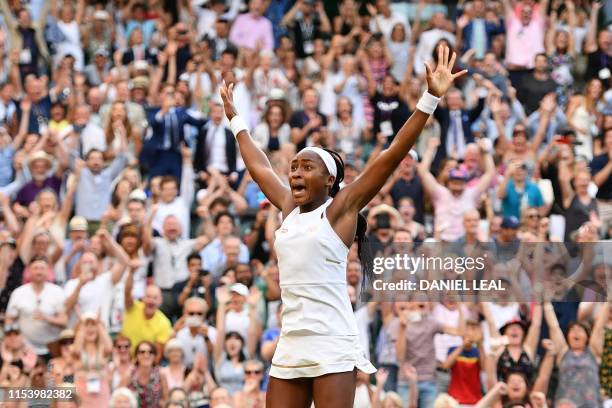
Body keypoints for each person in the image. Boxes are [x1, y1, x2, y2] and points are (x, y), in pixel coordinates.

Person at [219, 44, 466, 406]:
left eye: (306, 167)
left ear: (329, 182)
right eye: (294, 166)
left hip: (332, 340)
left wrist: (429, 97)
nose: (295, 172)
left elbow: (392, 153)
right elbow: (258, 167)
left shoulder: (341, 209)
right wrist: (235, 119)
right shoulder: (288, 206)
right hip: (291, 342)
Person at [4, 255, 67, 356]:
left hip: (52, 346)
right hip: (25, 348)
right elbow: (9, 319)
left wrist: (47, 318)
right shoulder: (19, 292)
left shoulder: (57, 291)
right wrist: (12, 340)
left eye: (42, 268)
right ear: (29, 271)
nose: (39, 272)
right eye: (35, 268)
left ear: (48, 271)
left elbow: (64, 321)